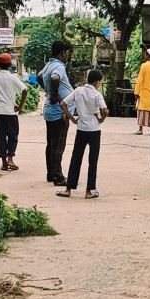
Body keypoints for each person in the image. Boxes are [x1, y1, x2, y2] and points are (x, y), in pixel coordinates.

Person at [57, 69, 108, 199]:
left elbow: (63, 104)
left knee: (76, 158)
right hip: (94, 129)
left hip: (81, 128)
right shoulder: (97, 94)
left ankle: (68, 189)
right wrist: (101, 119)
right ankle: (89, 190)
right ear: (97, 82)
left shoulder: (78, 91)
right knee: (93, 160)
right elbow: (105, 110)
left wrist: (72, 118)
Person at [38, 40, 74, 186]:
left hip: (51, 111)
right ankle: (58, 176)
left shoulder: (49, 64)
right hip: (59, 112)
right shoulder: (58, 66)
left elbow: (40, 76)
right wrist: (54, 95)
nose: (67, 56)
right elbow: (55, 78)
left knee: (51, 144)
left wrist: (48, 91)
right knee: (58, 145)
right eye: (67, 53)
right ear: (62, 53)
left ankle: (51, 173)